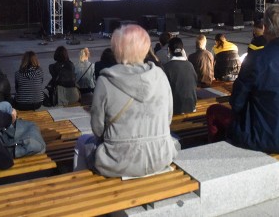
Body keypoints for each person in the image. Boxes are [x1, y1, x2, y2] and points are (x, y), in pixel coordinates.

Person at [207, 5, 279, 154]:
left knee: (213, 111)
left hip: (266, 139)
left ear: (265, 28)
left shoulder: (257, 59)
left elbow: (236, 103)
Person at [72, 24, 178, 178]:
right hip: (160, 157)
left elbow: (97, 129)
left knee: (82, 141)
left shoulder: (106, 80)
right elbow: (168, 118)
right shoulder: (160, 76)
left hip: (117, 162)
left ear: (117, 49)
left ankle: (80, 190)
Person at [163, 37, 198, 114]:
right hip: (191, 106)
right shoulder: (190, 65)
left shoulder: (166, 68)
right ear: (183, 50)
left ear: (169, 50)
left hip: (175, 109)